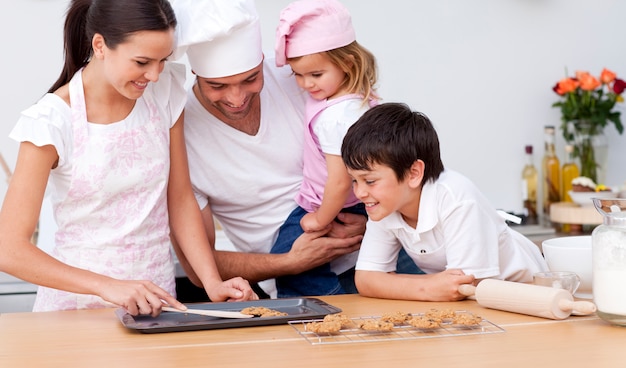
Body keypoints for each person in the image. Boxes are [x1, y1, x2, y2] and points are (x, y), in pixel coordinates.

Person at [0, 0, 256, 316]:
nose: (154, 74)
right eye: (142, 61)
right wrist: (108, 285)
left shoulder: (165, 91)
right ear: (100, 45)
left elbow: (178, 198)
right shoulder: (51, 121)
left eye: (162, 60)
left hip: (156, 303)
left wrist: (212, 282)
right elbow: (9, 249)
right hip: (75, 309)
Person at [168, 0, 378, 299]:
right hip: (298, 278)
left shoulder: (302, 78)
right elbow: (196, 268)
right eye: (217, 86)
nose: (237, 97)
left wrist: (371, 218)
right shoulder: (180, 134)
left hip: (377, 250)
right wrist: (291, 262)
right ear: (195, 74)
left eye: (251, 79)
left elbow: (384, 154)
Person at [341, 102, 549, 301]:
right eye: (354, 180)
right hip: (477, 302)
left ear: (414, 173)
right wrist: (430, 287)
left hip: (527, 293)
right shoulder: (384, 205)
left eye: (369, 180)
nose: (359, 192)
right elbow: (366, 279)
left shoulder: (456, 198)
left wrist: (412, 285)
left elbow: (463, 287)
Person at [269, 0, 378, 298]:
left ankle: (328, 307)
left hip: (328, 203)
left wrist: (320, 219)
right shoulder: (356, 100)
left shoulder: (336, 117)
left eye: (315, 75)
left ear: (348, 63)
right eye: (298, 75)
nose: (305, 84)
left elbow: (340, 180)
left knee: (290, 262)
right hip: (347, 203)